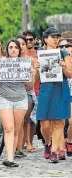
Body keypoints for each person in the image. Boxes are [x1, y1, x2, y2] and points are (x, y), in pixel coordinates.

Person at [0, 39, 35, 167]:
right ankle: (10, 158)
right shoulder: (1, 63)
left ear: (19, 50)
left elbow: (29, 86)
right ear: (7, 50)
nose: (13, 49)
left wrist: (32, 74)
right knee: (8, 128)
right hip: (4, 98)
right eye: (10, 47)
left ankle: (12, 155)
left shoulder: (25, 64)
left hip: (21, 99)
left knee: (16, 130)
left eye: (15, 47)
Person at [35, 27, 72, 163]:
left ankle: (54, 151)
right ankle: (48, 143)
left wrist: (63, 67)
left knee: (58, 122)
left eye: (57, 37)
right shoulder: (40, 53)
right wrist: (37, 69)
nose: (55, 39)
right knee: (44, 124)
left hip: (60, 88)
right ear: (45, 39)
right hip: (46, 89)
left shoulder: (63, 53)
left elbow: (70, 74)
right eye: (53, 37)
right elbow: (35, 79)